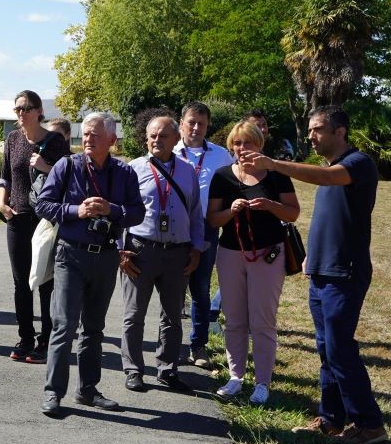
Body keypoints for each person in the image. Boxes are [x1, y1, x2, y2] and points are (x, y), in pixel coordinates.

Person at [241, 105, 388, 444]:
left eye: (318, 129)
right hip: (322, 270)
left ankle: (370, 425)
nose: (310, 135)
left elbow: (327, 177)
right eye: (309, 129)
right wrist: (311, 259)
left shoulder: (356, 165)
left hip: (345, 272)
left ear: (340, 132)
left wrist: (273, 164)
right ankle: (332, 418)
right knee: (326, 349)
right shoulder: (328, 169)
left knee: (339, 347)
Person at [35, 112, 144, 417]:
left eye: (95, 135)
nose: (87, 139)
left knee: (94, 328)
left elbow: (137, 213)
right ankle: (53, 392)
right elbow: (42, 204)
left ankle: (88, 390)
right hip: (70, 254)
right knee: (64, 325)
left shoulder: (124, 173)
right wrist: (75, 211)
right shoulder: (66, 166)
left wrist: (112, 209)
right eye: (84, 134)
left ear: (111, 140)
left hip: (107, 256)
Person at [207, 121, 300, 405]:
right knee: (234, 320)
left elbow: (294, 213)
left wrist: (271, 206)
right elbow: (212, 220)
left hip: (267, 254)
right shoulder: (222, 176)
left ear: (259, 145)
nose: (242, 149)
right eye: (237, 143)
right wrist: (230, 212)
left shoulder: (276, 175)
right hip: (231, 253)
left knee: (262, 320)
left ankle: (262, 383)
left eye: (248, 143)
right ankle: (235, 377)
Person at [120, 115, 206, 394]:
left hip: (176, 254)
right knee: (134, 315)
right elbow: (118, 213)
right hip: (140, 252)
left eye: (163, 136)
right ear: (146, 138)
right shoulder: (132, 169)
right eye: (152, 136)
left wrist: (196, 248)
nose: (157, 140)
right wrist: (121, 250)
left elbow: (195, 213)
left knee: (172, 316)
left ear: (175, 138)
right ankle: (133, 370)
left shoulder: (187, 170)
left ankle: (167, 369)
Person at [0, 90, 70, 363]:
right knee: (21, 282)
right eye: (17, 108)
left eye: (27, 108)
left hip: (45, 220)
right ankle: (25, 337)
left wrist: (46, 166)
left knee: (45, 281)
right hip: (16, 217)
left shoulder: (55, 142)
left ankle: (47, 340)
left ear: (39, 111)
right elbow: (5, 177)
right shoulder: (13, 139)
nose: (21, 113)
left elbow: (68, 178)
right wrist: (2, 204)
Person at [173, 101, 233, 369]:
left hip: (207, 228)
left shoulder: (221, 156)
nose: (196, 128)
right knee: (172, 290)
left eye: (202, 123)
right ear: (181, 122)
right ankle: (172, 346)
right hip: (173, 229)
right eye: (191, 122)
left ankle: (198, 346)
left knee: (200, 289)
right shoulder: (169, 150)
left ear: (208, 126)